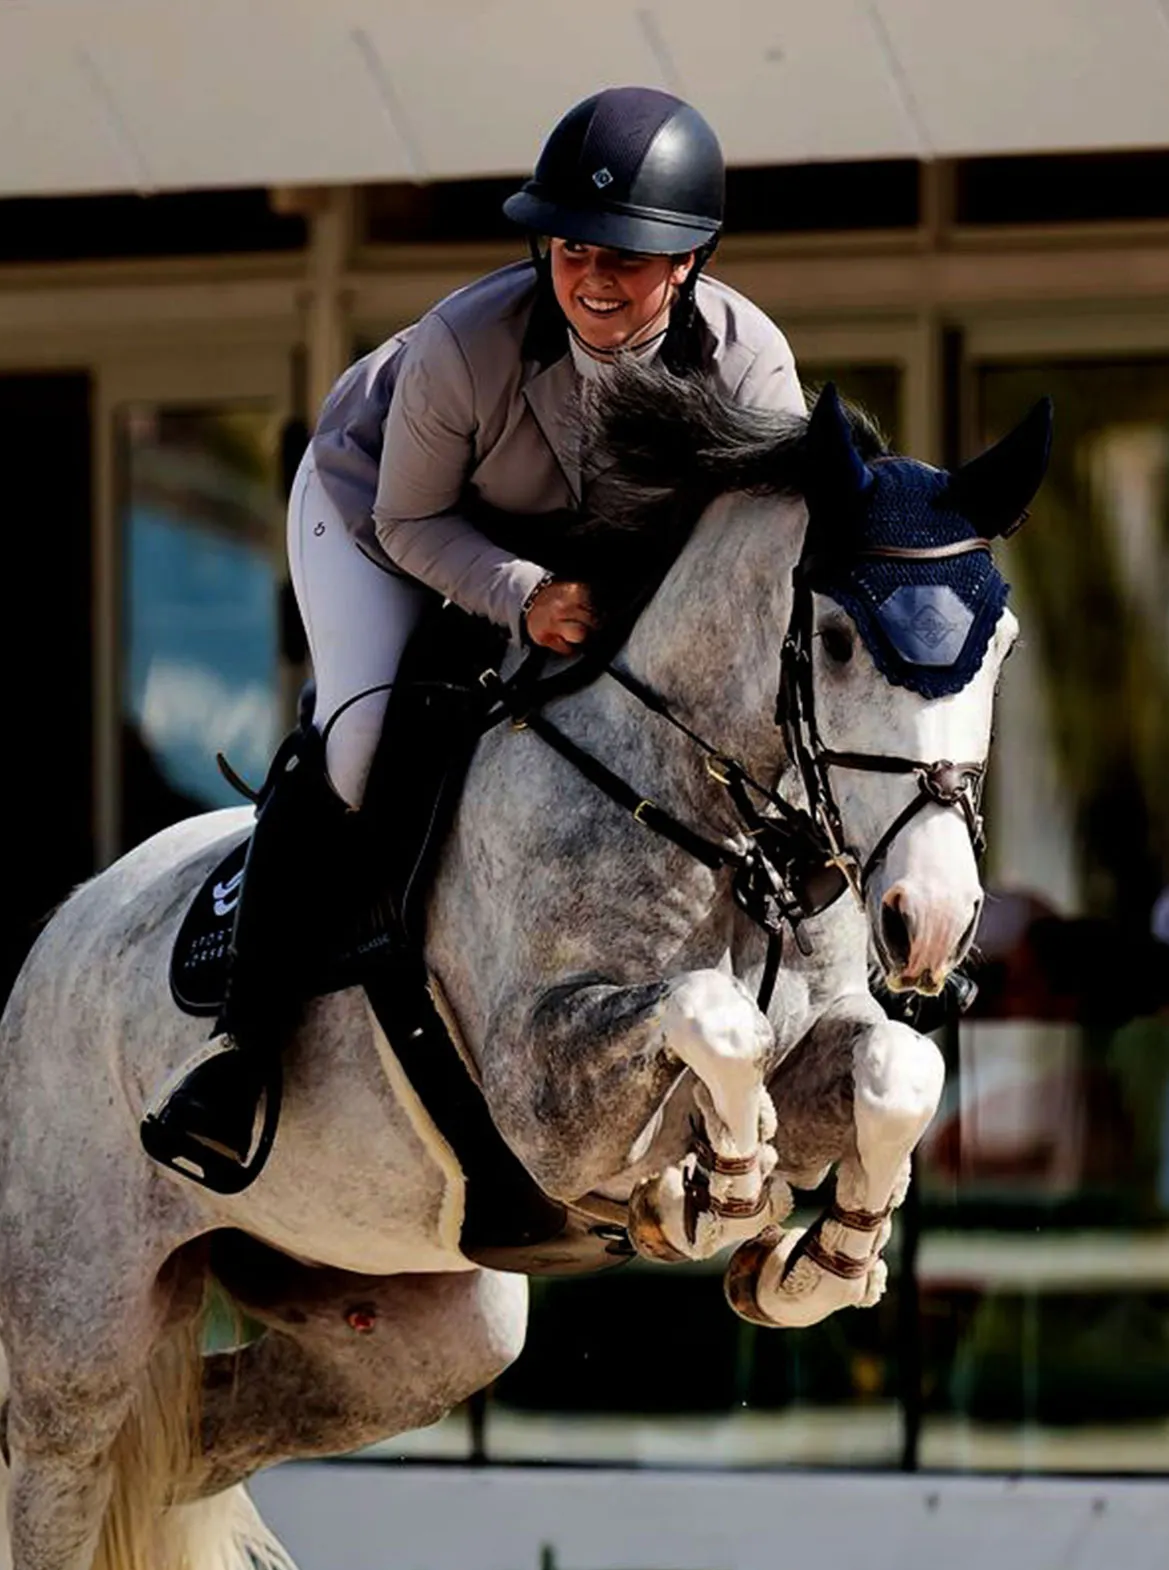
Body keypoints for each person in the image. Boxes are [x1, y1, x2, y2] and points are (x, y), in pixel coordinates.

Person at [141, 84, 807, 1192]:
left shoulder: (748, 366)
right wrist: (520, 595)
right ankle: (239, 1051)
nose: (592, 275)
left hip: (600, 558)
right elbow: (408, 520)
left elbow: (748, 558)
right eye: (571, 247)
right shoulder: (467, 341)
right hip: (387, 516)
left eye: (626, 257)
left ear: (686, 262)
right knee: (361, 745)